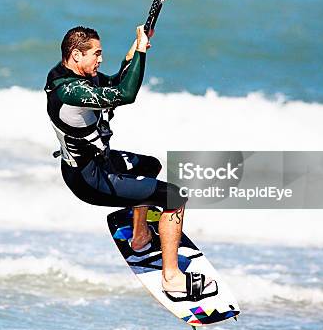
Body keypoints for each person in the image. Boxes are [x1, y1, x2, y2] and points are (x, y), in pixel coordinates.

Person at [44, 25, 214, 301]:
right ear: (76, 54)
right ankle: (172, 278)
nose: (100, 60)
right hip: (91, 180)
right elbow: (126, 94)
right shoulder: (69, 93)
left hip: (96, 163)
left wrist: (138, 45)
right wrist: (143, 54)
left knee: (149, 166)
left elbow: (113, 83)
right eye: (96, 54)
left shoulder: (66, 75)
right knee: (174, 196)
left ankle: (140, 237)